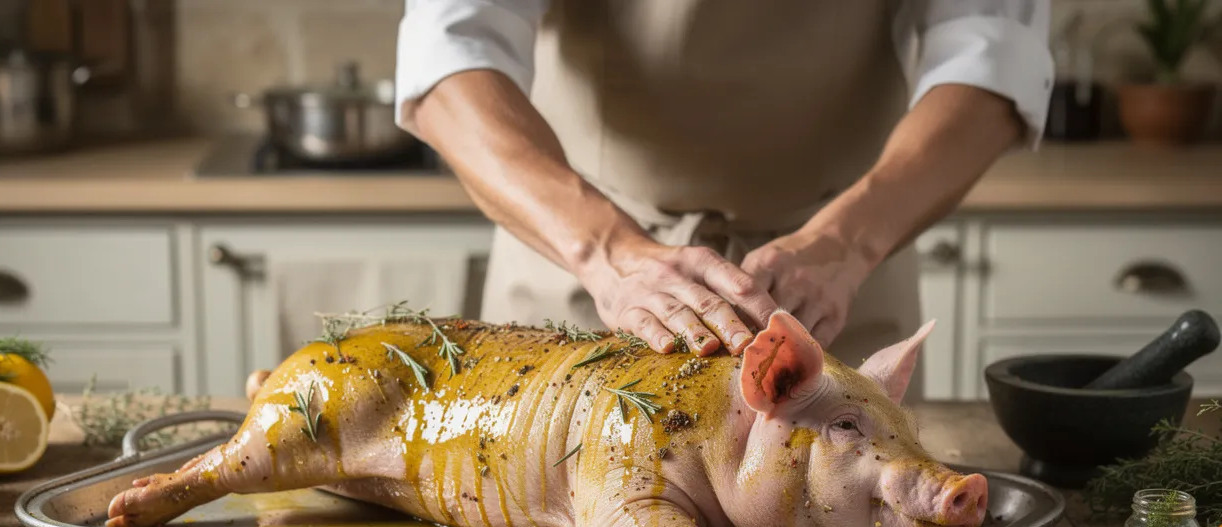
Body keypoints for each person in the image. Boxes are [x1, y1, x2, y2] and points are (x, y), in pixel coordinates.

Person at [393, 1, 1053, 397]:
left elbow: (992, 56)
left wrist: (845, 244)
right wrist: (606, 252)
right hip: (578, 272)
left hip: (838, 279)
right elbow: (451, 51)